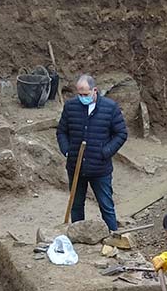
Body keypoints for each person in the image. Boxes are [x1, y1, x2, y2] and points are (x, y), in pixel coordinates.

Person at [55, 74, 128, 231]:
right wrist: (67, 150)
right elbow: (61, 131)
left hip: (100, 168)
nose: (82, 98)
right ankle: (77, 236)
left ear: (94, 90)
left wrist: (105, 152)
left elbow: (121, 133)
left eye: (85, 94)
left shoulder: (110, 108)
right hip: (76, 167)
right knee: (76, 205)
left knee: (106, 205)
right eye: (79, 94)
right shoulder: (71, 107)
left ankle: (113, 235)